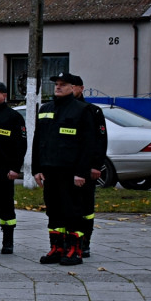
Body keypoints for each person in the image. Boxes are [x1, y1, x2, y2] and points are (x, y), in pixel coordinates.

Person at [32, 72, 96, 266]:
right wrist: (36, 169)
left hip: (71, 172)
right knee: (54, 211)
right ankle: (57, 248)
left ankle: (74, 250)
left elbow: (88, 145)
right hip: (50, 171)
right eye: (56, 84)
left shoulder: (82, 110)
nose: (58, 87)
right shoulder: (45, 108)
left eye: (63, 84)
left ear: (72, 87)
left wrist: (81, 172)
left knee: (73, 211)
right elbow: (38, 140)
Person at [0, 81, 26, 254]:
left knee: (6, 206)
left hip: (5, 170)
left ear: (4, 95)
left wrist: (15, 168)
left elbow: (21, 145)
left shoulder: (13, 117)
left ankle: (8, 241)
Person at [73, 80, 107, 258]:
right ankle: (70, 241)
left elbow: (100, 141)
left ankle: (85, 241)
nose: (70, 90)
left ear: (81, 88)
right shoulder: (63, 109)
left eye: (73, 86)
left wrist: (96, 165)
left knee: (86, 207)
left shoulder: (92, 111)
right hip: (68, 168)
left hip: (87, 168)